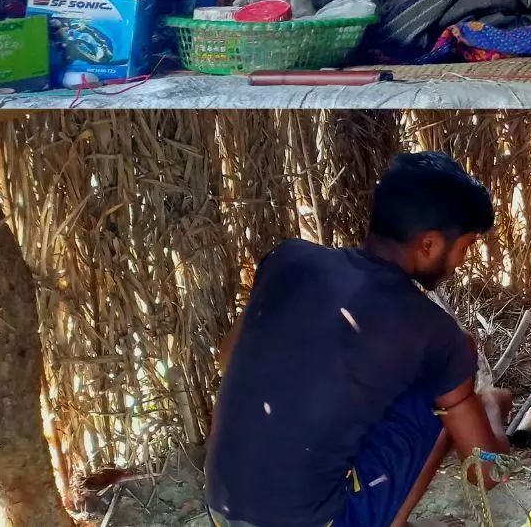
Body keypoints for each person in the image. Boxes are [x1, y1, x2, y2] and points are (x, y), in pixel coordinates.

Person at [205, 152, 512, 527]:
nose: (461, 262)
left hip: (221, 508)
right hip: (316, 522)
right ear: (429, 244)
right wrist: (490, 409)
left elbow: (227, 358)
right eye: (463, 248)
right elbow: (485, 472)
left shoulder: (288, 260)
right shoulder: (435, 333)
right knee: (437, 398)